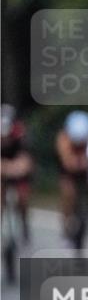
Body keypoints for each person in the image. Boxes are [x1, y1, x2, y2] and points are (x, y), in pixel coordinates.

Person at [55, 110, 88, 248]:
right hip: (69, 174)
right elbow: (68, 162)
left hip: (87, 173)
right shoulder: (63, 138)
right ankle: (66, 226)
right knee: (68, 193)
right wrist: (80, 162)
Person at [1, 104, 34, 243]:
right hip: (5, 170)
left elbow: (26, 161)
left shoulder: (20, 134)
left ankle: (24, 222)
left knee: (23, 197)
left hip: (18, 170)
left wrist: (14, 168)